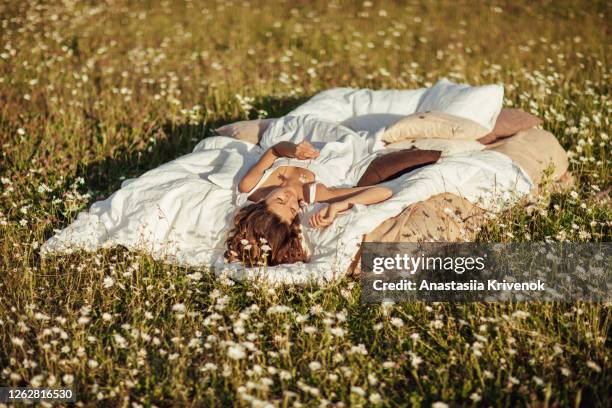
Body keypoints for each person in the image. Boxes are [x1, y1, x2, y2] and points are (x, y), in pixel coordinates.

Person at [225, 139, 394, 267]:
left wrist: (293, 150)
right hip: (340, 147)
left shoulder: (251, 185)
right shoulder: (314, 194)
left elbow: (275, 150)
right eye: (292, 209)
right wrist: (337, 206)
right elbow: (384, 192)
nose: (290, 197)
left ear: (261, 202)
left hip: (303, 140)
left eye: (279, 200)